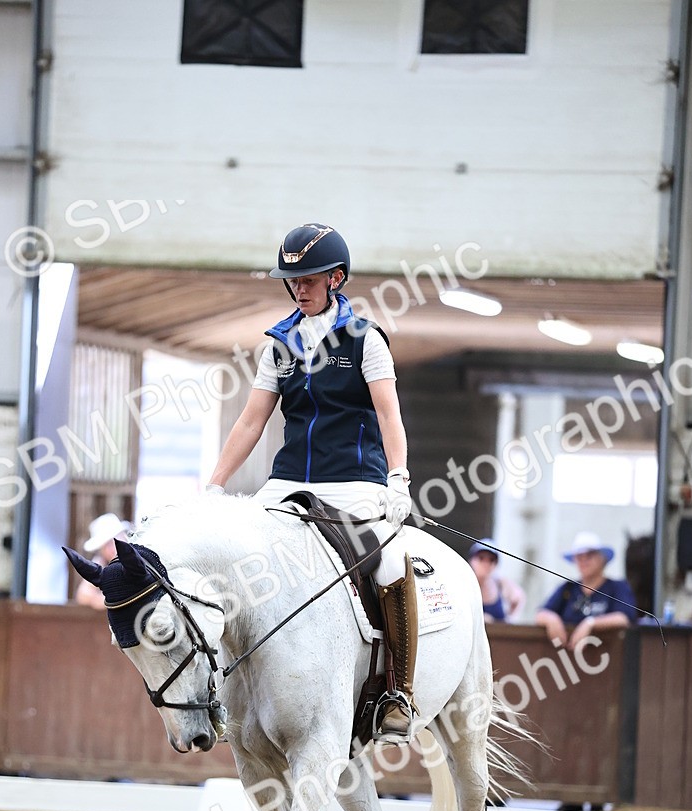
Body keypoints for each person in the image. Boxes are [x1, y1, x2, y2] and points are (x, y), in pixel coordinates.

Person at [207, 222, 416, 743]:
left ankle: (399, 690)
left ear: (336, 278)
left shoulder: (366, 341)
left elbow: (389, 415)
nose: (299, 288)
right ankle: (226, 682)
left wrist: (398, 478)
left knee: (390, 560)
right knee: (234, 554)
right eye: (292, 280)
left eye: (309, 278)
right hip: (288, 480)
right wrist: (214, 485)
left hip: (354, 480)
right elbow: (251, 421)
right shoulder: (278, 346)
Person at [535, 531, 636, 650]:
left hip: (607, 657)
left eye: (589, 556)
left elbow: (623, 618)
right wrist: (551, 619)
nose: (584, 561)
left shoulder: (617, 587)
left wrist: (590, 623)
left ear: (601, 559)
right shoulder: (568, 588)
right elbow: (541, 613)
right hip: (568, 659)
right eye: (579, 557)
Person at [75, 512, 131, 610]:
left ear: (123, 537)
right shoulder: (103, 563)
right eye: (105, 546)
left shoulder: (138, 557)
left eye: (113, 541)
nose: (111, 549)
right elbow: (82, 595)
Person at [467, 539, 525, 623]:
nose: (486, 563)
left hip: (498, 635)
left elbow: (519, 597)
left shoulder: (500, 584)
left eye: (491, 560)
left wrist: (510, 619)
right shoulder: (464, 584)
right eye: (481, 558)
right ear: (472, 560)